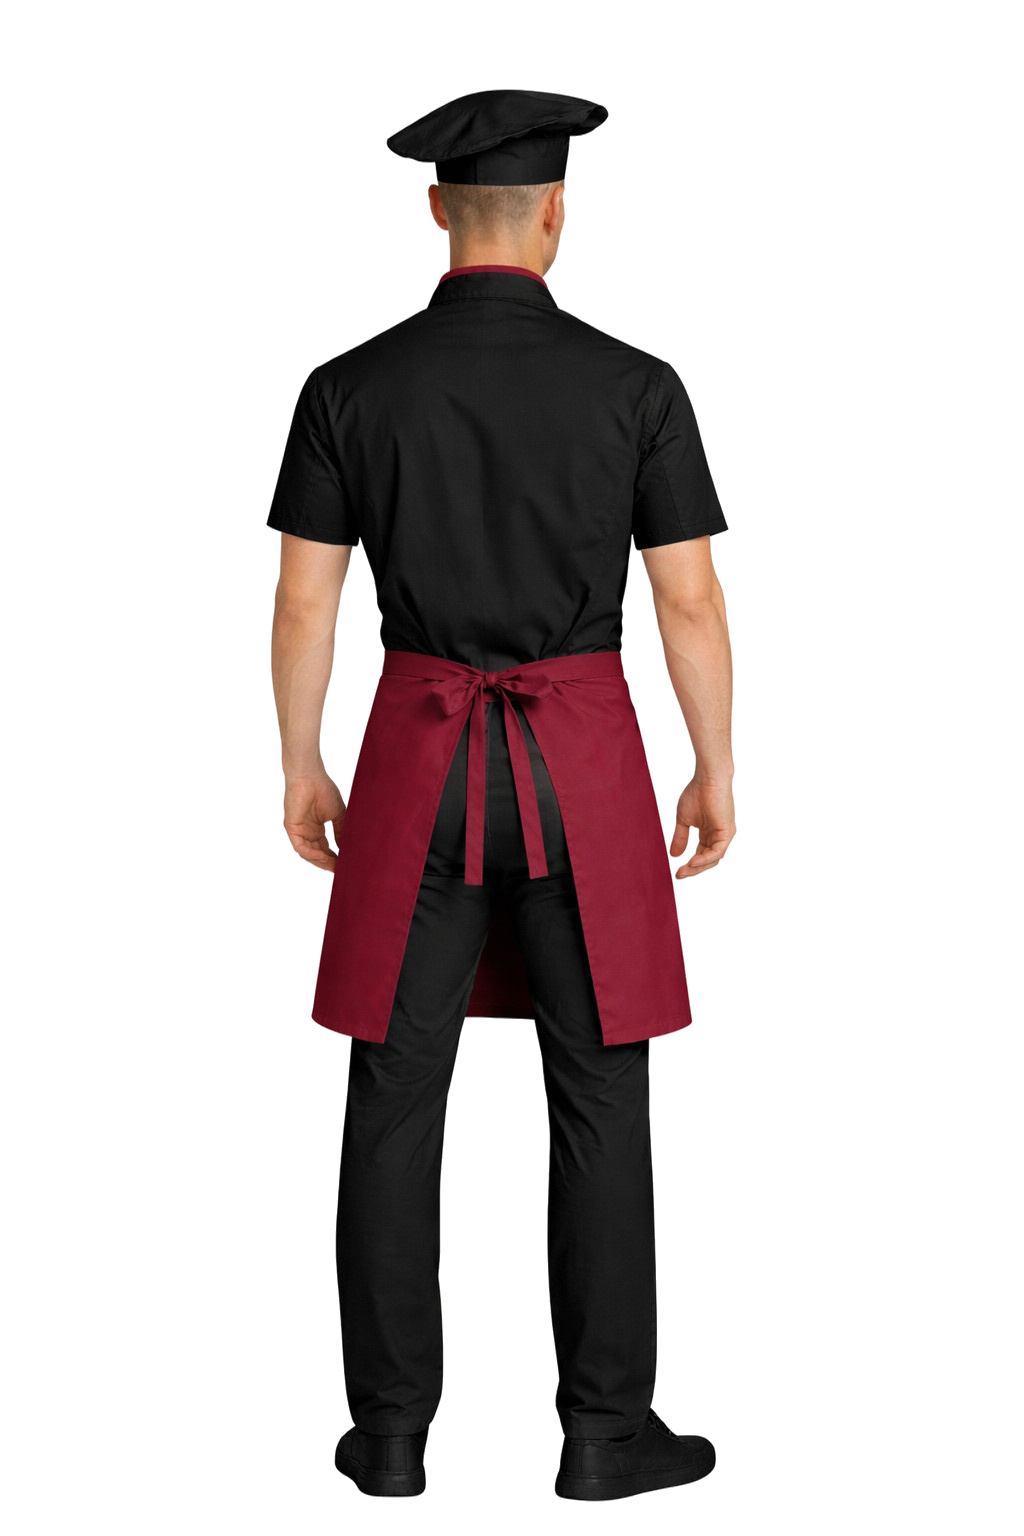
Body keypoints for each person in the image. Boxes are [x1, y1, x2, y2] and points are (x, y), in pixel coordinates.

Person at [267, 88, 735, 1502]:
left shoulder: (346, 388)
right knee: (600, 1090)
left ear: (437, 213)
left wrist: (302, 760)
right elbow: (689, 600)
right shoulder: (637, 386)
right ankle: (606, 1433)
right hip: (583, 768)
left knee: (393, 1092)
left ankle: (388, 1434)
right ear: (554, 217)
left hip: (415, 766)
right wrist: (716, 762)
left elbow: (305, 601)